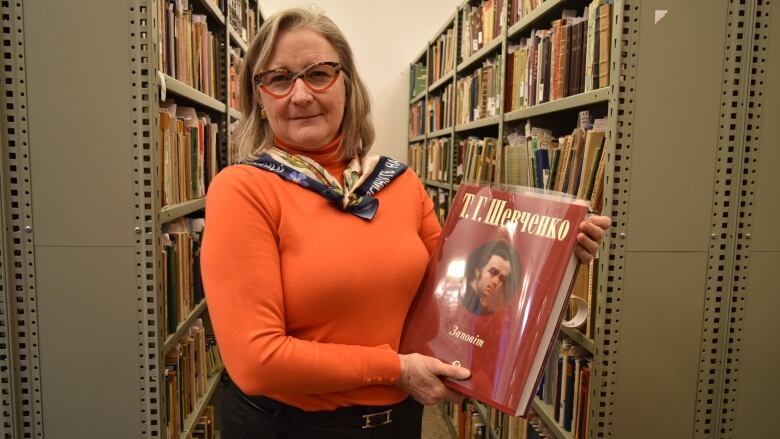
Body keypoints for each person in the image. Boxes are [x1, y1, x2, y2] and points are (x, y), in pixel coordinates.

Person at [200, 7, 611, 439]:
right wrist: (396, 369)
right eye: (279, 79)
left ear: (347, 85)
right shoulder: (243, 190)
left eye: (318, 74)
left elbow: (457, 298)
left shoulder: (399, 182)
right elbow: (256, 362)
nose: (300, 95)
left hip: (397, 424)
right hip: (288, 428)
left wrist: (550, 268)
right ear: (260, 98)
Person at [460, 240, 521, 315]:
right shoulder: (463, 300)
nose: (496, 282)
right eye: (493, 272)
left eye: (502, 278)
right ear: (478, 271)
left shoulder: (480, 305)